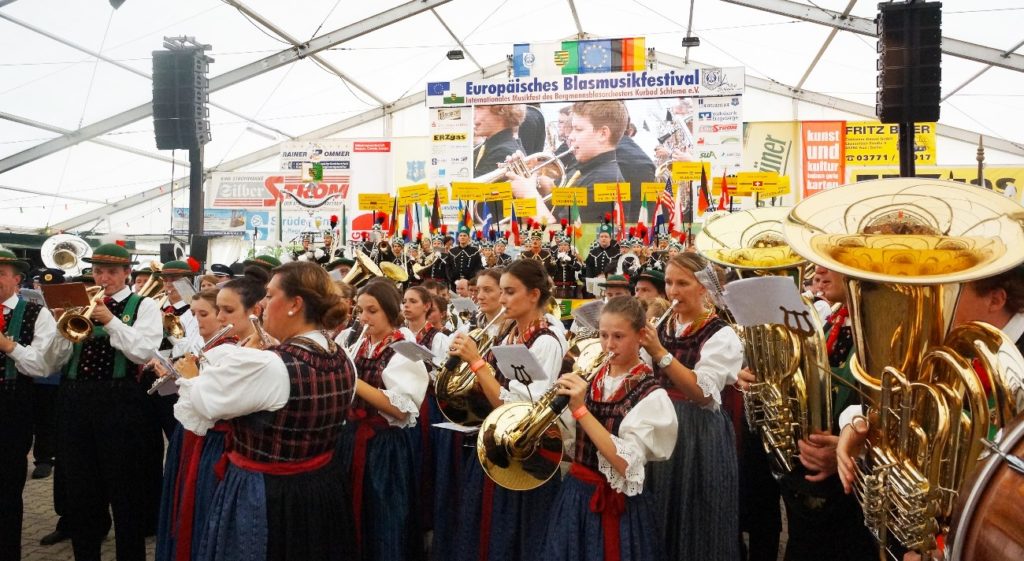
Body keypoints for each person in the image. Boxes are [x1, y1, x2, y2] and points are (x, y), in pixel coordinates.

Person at [174, 261, 356, 561]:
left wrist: (192, 376)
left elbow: (204, 406)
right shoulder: (341, 356)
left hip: (267, 496)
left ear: (295, 304)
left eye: (270, 296)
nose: (262, 304)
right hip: (323, 490)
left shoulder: (271, 365)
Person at [50, 243, 164, 561]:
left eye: (111, 272)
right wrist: (61, 328)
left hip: (122, 402)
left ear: (128, 273)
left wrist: (111, 320)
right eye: (98, 271)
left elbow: (143, 352)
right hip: (75, 400)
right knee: (81, 492)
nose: (103, 277)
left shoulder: (145, 306)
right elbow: (52, 362)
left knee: (125, 492)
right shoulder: (77, 302)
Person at [542, 296, 678, 561]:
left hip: (618, 505)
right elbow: (571, 443)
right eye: (603, 335)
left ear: (640, 336)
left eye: (618, 336)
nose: (608, 344)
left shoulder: (651, 395)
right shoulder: (592, 378)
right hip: (575, 496)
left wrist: (580, 410)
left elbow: (625, 465)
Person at [449, 259, 568, 561]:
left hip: (523, 458)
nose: (502, 300)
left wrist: (477, 364)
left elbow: (521, 412)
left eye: (510, 292)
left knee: (515, 537)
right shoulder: (506, 336)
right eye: (501, 292)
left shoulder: (546, 343)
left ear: (534, 295)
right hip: (495, 447)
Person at [640, 253, 742, 561]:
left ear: (704, 289)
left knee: (698, 524)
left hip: (697, 434)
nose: (673, 291)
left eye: (683, 283)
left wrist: (659, 353)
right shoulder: (662, 326)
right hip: (659, 429)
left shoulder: (721, 334)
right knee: (658, 514)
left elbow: (703, 394)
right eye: (669, 283)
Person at [336, 279, 429, 561]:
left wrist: (351, 379)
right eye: (360, 311)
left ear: (389, 311)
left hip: (383, 448)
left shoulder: (403, 349)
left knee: (384, 519)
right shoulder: (355, 342)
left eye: (372, 311)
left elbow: (402, 408)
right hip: (349, 440)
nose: (363, 318)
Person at [0, 250, 63, 561]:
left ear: (16, 280)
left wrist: (7, 345)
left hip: (12, 409)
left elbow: (42, 366)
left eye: (0, 273)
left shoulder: (38, 314)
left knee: (7, 489)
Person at [512, 101, 627, 223]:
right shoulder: (582, 169)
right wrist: (530, 178)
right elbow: (556, 209)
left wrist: (528, 193)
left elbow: (562, 237)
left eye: (578, 129)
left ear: (603, 134)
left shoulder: (605, 181)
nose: (571, 137)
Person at [473, 104, 526, 178]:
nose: (473, 115)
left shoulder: (503, 152)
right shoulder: (492, 144)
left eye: (479, 108)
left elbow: (475, 188)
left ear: (501, 110)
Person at [584, 218, 621, 292]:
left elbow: (618, 269)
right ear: (598, 238)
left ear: (610, 238)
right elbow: (589, 268)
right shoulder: (593, 252)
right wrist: (592, 279)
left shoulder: (617, 253)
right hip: (595, 284)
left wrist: (607, 276)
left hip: (611, 284)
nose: (603, 239)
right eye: (601, 236)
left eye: (606, 237)